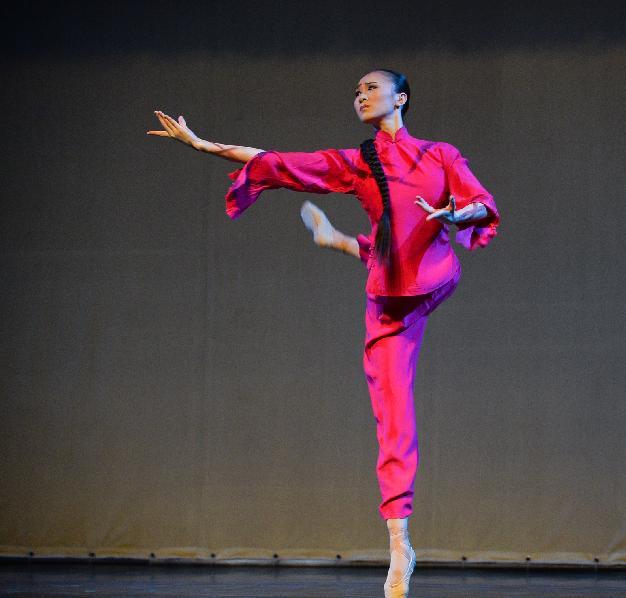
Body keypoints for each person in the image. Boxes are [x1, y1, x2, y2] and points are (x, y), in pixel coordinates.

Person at [147, 68, 499, 597]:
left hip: (433, 275)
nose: (360, 95)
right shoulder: (359, 162)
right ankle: (400, 543)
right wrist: (202, 144)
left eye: (371, 88)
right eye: (356, 91)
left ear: (400, 97)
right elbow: (277, 162)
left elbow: (482, 203)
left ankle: (342, 243)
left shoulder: (439, 155)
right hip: (388, 303)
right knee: (393, 413)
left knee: (413, 248)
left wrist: (456, 212)